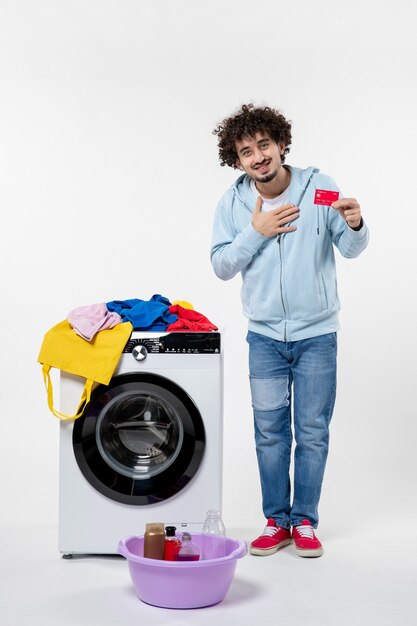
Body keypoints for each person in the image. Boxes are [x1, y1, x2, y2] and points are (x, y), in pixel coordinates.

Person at [210, 103, 369, 558]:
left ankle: (304, 522)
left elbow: (350, 246)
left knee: (312, 431)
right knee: (270, 432)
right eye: (246, 151)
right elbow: (221, 264)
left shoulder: (318, 187)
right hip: (263, 338)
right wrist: (255, 231)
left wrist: (355, 225)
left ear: (281, 144)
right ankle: (275, 521)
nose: (258, 156)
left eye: (264, 145)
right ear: (237, 160)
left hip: (317, 334)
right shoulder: (234, 202)